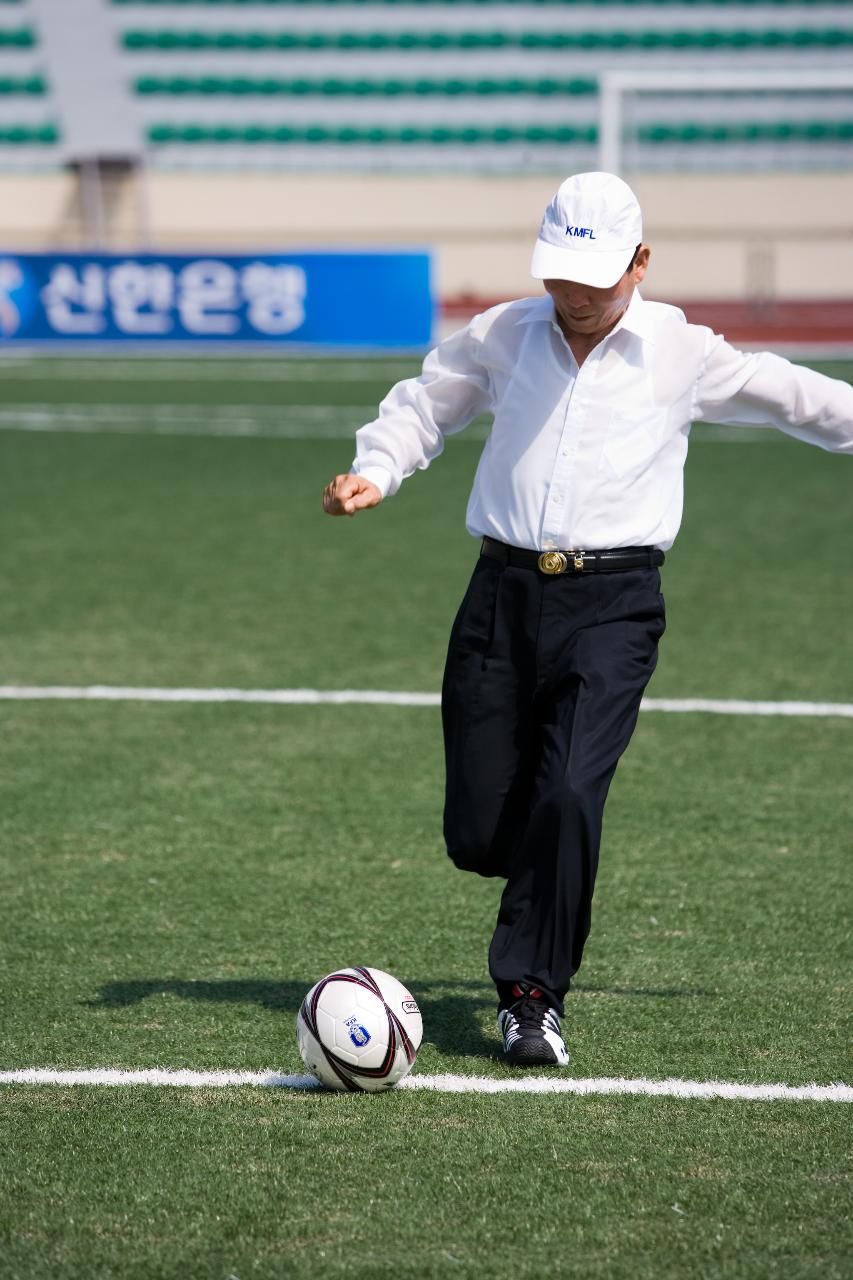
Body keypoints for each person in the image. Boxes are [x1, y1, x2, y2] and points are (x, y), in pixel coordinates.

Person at [322, 171, 852, 1068]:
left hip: (614, 606)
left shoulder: (679, 349)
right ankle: (532, 877)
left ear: (640, 264)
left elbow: (791, 395)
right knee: (480, 834)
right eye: (559, 273)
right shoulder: (502, 333)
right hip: (500, 597)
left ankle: (531, 998)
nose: (573, 294)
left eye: (595, 276)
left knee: (568, 793)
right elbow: (427, 403)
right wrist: (378, 468)